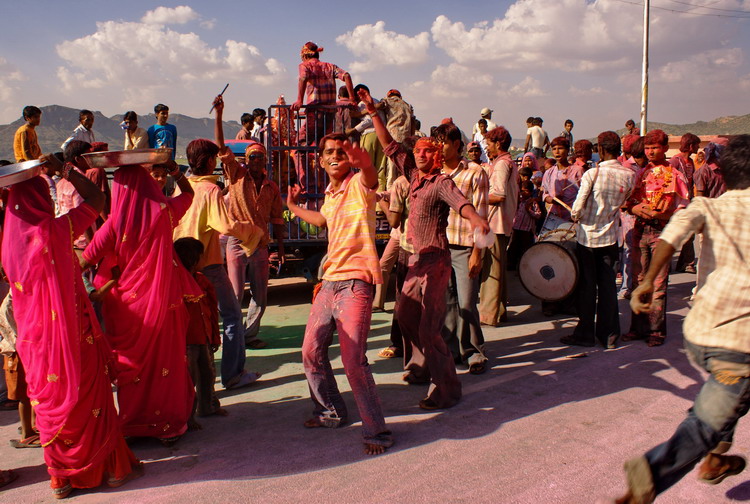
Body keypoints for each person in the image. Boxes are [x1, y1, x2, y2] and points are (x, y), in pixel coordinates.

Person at [614, 135, 750, 504]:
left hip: (701, 332)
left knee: (734, 392)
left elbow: (671, 237)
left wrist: (644, 282)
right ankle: (653, 471)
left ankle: (717, 457)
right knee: (710, 414)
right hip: (737, 340)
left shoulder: (709, 206)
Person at [3, 154, 141, 499]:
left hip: (35, 340)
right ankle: (111, 470)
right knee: (87, 396)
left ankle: (62, 480)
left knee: (51, 402)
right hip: (72, 332)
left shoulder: (7, 243)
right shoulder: (56, 229)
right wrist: (66, 170)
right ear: (39, 198)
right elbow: (96, 201)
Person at [286, 133, 393, 455]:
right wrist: (291, 205)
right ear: (320, 160)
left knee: (353, 362)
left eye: (341, 152)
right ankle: (330, 411)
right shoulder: (331, 195)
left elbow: (370, 177)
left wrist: (364, 162)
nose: (335, 156)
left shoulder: (359, 184)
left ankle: (377, 433)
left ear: (350, 160)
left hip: (356, 283)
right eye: (329, 152)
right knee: (310, 353)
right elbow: (322, 220)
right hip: (328, 282)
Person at [82, 154, 198, 444]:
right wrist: (174, 170)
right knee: (166, 362)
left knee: (131, 367)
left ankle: (134, 424)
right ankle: (168, 425)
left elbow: (85, 260)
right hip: (162, 303)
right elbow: (189, 193)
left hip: (124, 309)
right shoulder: (164, 212)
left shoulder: (113, 224)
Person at [172, 121, 264, 390]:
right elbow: (224, 225)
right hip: (207, 263)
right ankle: (234, 374)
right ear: (210, 161)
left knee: (192, 322)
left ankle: (193, 381)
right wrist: (253, 231)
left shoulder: (183, 186)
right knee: (232, 317)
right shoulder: (211, 189)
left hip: (182, 263)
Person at [214, 96, 284, 349]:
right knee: (234, 294)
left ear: (265, 161)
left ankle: (248, 335)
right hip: (236, 241)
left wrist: (281, 248)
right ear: (246, 161)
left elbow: (277, 219)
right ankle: (233, 336)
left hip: (261, 245)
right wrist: (220, 115)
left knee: (261, 296)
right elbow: (221, 147)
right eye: (252, 158)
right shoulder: (236, 176)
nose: (255, 162)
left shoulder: (271, 187)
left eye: (259, 158)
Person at [562, 131, 636, 349]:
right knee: (607, 288)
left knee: (587, 288)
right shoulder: (629, 175)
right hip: (611, 239)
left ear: (601, 150)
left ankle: (585, 333)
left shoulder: (591, 175)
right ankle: (610, 336)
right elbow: (626, 200)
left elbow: (576, 210)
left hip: (588, 239)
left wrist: (579, 215)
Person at [623, 129, 689, 347]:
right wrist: (637, 209)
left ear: (664, 149)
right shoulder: (642, 174)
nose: (650, 152)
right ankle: (637, 328)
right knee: (638, 281)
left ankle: (656, 331)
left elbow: (682, 210)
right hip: (640, 232)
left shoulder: (675, 175)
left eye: (655, 148)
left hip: (662, 233)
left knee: (658, 284)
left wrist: (660, 214)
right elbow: (629, 203)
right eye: (648, 148)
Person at [434, 122, 490, 374]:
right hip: (440, 247)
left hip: (465, 246)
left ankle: (473, 352)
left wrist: (478, 252)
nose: (438, 148)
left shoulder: (475, 172)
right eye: (436, 142)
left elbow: (482, 214)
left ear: (457, 145)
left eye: (443, 142)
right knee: (446, 303)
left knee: (467, 303)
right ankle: (451, 351)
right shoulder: (434, 173)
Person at [173, 237, 226, 427]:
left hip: (203, 337)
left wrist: (214, 337)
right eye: (202, 256)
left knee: (208, 374)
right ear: (193, 259)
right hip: (186, 341)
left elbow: (211, 309)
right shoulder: (175, 282)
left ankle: (208, 406)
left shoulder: (202, 280)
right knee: (189, 380)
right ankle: (187, 417)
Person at [291, 41, 355, 193]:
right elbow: (346, 75)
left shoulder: (305, 66)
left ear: (305, 55)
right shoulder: (330, 66)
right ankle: (329, 183)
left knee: (299, 147)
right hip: (329, 114)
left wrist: (300, 100)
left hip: (315, 112)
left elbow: (303, 78)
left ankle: (308, 184)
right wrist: (352, 98)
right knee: (326, 148)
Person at [479, 126, 518, 327]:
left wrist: (476, 199)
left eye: (489, 143)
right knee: (498, 269)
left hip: (496, 222)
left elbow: (499, 195)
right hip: (502, 223)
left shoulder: (502, 164)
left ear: (498, 143)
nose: (486, 146)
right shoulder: (505, 163)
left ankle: (487, 314)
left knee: (491, 271)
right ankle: (499, 311)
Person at [670, 133, 701, 273]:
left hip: (688, 201)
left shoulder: (690, 162)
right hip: (677, 203)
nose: (698, 148)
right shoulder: (676, 161)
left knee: (689, 232)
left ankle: (686, 262)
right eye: (696, 145)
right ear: (690, 146)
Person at [506, 180, 542, 270]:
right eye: (522, 190)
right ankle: (511, 265)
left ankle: (522, 268)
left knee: (524, 249)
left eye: (525, 191)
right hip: (516, 228)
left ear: (530, 192)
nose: (523, 193)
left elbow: (538, 215)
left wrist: (529, 210)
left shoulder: (532, 203)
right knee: (513, 247)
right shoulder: (520, 202)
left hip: (526, 230)